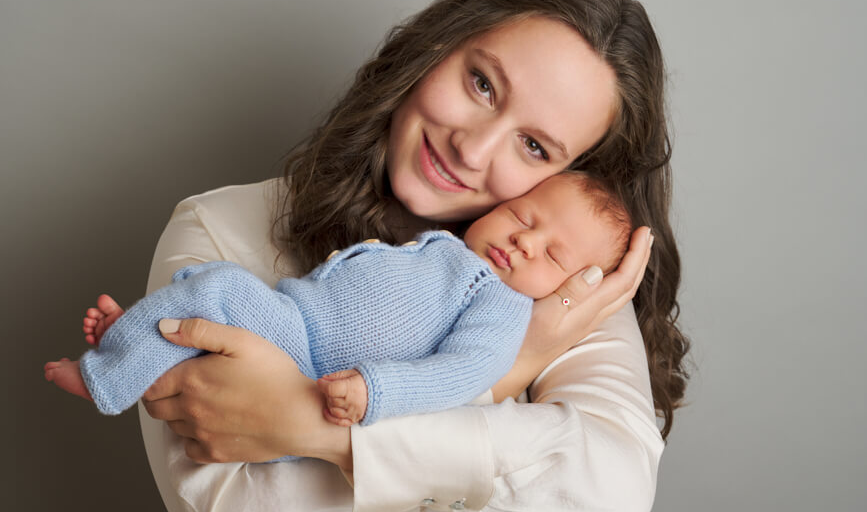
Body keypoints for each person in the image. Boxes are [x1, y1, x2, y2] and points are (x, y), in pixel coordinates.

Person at [134, 0, 689, 512]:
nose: (471, 150)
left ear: (574, 176)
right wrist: (512, 370)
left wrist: (322, 433)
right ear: (433, 48)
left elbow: (617, 479)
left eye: (535, 147)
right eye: (482, 84)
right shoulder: (222, 233)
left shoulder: (562, 282)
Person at [45, 172, 632, 425]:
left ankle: (107, 375)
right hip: (295, 322)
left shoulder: (501, 306)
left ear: (573, 286)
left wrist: (378, 390)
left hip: (314, 363)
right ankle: (138, 338)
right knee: (210, 295)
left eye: (554, 255)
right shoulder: (451, 249)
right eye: (522, 216)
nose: (525, 242)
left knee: (218, 289)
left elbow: (462, 373)